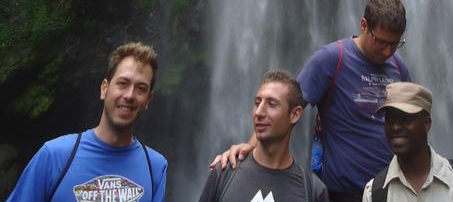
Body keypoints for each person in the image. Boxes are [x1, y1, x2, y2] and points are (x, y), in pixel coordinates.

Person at [214, 0, 410, 202]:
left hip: (391, 191)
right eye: (381, 42)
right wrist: (250, 148)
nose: (388, 51)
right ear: (363, 25)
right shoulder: (332, 59)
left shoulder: (398, 67)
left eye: (395, 43)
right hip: (342, 193)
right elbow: (286, 108)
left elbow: (411, 125)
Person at [8, 42, 167, 202]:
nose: (130, 95)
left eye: (141, 88)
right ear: (104, 89)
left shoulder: (155, 167)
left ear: (148, 99)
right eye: (123, 83)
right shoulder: (55, 156)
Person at [198, 70, 328, 202]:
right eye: (257, 103)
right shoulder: (224, 173)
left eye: (272, 104)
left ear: (294, 114)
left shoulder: (313, 192)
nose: (259, 112)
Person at [362, 83, 453, 202]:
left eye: (405, 118)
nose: (395, 127)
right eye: (390, 119)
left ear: (427, 123)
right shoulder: (374, 194)